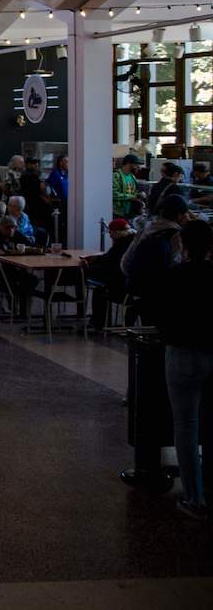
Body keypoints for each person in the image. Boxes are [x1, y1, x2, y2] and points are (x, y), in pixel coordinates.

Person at [146, 219, 213, 519]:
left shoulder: (173, 276)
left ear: (183, 245)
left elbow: (157, 313)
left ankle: (194, 497)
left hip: (182, 354)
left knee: (186, 426)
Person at [121, 194, 191, 314]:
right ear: (179, 215)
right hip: (162, 295)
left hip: (138, 289)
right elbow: (175, 265)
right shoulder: (176, 235)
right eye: (187, 214)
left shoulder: (145, 229)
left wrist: (137, 278)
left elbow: (125, 262)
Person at [85, 217, 134, 328]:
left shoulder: (122, 244)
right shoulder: (130, 241)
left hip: (122, 286)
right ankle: (99, 323)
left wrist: (90, 264)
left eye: (111, 232)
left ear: (117, 232)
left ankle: (99, 323)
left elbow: (110, 261)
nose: (110, 236)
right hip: (129, 284)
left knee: (99, 290)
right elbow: (110, 258)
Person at [113, 153, 141, 218]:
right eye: (136, 164)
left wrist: (138, 195)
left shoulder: (132, 176)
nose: (138, 167)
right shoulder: (116, 175)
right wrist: (131, 197)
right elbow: (114, 194)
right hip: (118, 213)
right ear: (128, 163)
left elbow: (132, 192)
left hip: (130, 212)